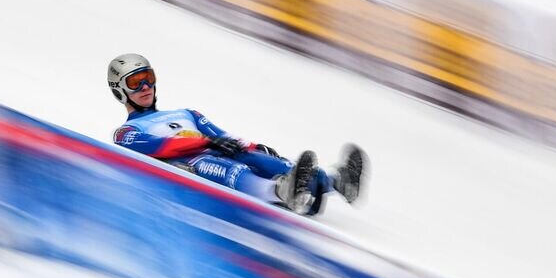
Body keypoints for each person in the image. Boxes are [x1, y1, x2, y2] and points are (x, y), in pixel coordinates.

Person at [107, 53, 364, 216]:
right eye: (134, 82)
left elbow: (220, 134)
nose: (145, 87)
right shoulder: (126, 132)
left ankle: (336, 181)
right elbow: (160, 147)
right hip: (188, 165)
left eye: (148, 78)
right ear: (120, 91)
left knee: (259, 158)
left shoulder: (186, 112)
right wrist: (205, 142)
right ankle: (278, 191)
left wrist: (252, 146)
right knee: (220, 166)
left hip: (213, 147)